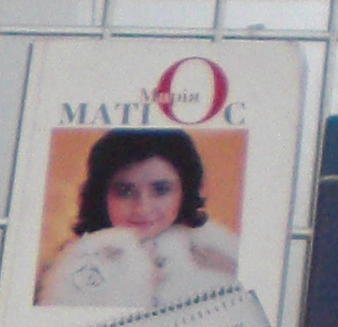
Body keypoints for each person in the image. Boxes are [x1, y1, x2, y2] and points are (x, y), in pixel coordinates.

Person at [36, 127, 232, 310]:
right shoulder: (66, 270)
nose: (142, 207)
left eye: (161, 190)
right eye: (125, 192)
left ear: (185, 191)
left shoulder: (219, 257)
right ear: (101, 196)